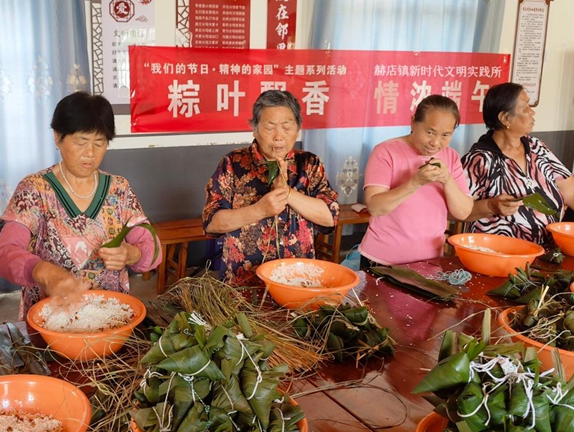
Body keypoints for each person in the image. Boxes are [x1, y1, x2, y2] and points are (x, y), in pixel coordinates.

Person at [0, 92, 161, 319]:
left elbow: (153, 249)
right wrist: (41, 270)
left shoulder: (119, 190)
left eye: (99, 143)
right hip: (51, 319)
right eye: (81, 142)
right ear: (57, 137)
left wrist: (133, 254)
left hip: (109, 319)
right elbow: (5, 254)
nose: (90, 153)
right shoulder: (34, 190)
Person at [202, 89, 339, 287]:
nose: (278, 137)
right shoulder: (233, 163)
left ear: (298, 130)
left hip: (298, 282)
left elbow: (329, 219)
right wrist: (260, 210)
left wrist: (288, 193)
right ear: (254, 129)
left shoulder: (309, 164)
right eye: (269, 127)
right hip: (244, 283)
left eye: (286, 127)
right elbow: (211, 223)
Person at [358, 95, 472, 268]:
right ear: (413, 123)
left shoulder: (451, 157)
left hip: (431, 260)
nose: (435, 142)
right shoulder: (386, 151)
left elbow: (463, 212)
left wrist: (447, 180)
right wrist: (416, 182)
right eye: (430, 132)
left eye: (445, 135)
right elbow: (375, 207)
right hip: (383, 260)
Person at [462, 82, 574, 248]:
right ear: (505, 118)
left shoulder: (537, 147)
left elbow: (570, 190)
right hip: (499, 254)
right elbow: (456, 212)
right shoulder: (480, 160)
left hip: (548, 253)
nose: (532, 112)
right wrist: (491, 206)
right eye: (525, 107)